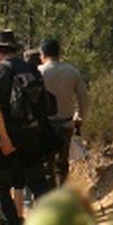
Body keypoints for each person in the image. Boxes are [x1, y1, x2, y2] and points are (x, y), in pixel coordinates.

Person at [0, 28, 58, 225]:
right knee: (37, 180)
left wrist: (4, 139)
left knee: (0, 184)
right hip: (32, 134)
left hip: (6, 137)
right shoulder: (32, 70)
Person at [38, 37, 91, 187]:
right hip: (66, 124)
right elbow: (84, 100)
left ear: (43, 54)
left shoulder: (38, 72)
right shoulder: (72, 72)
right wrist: (80, 117)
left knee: (46, 166)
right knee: (62, 164)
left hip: (45, 126)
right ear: (59, 53)